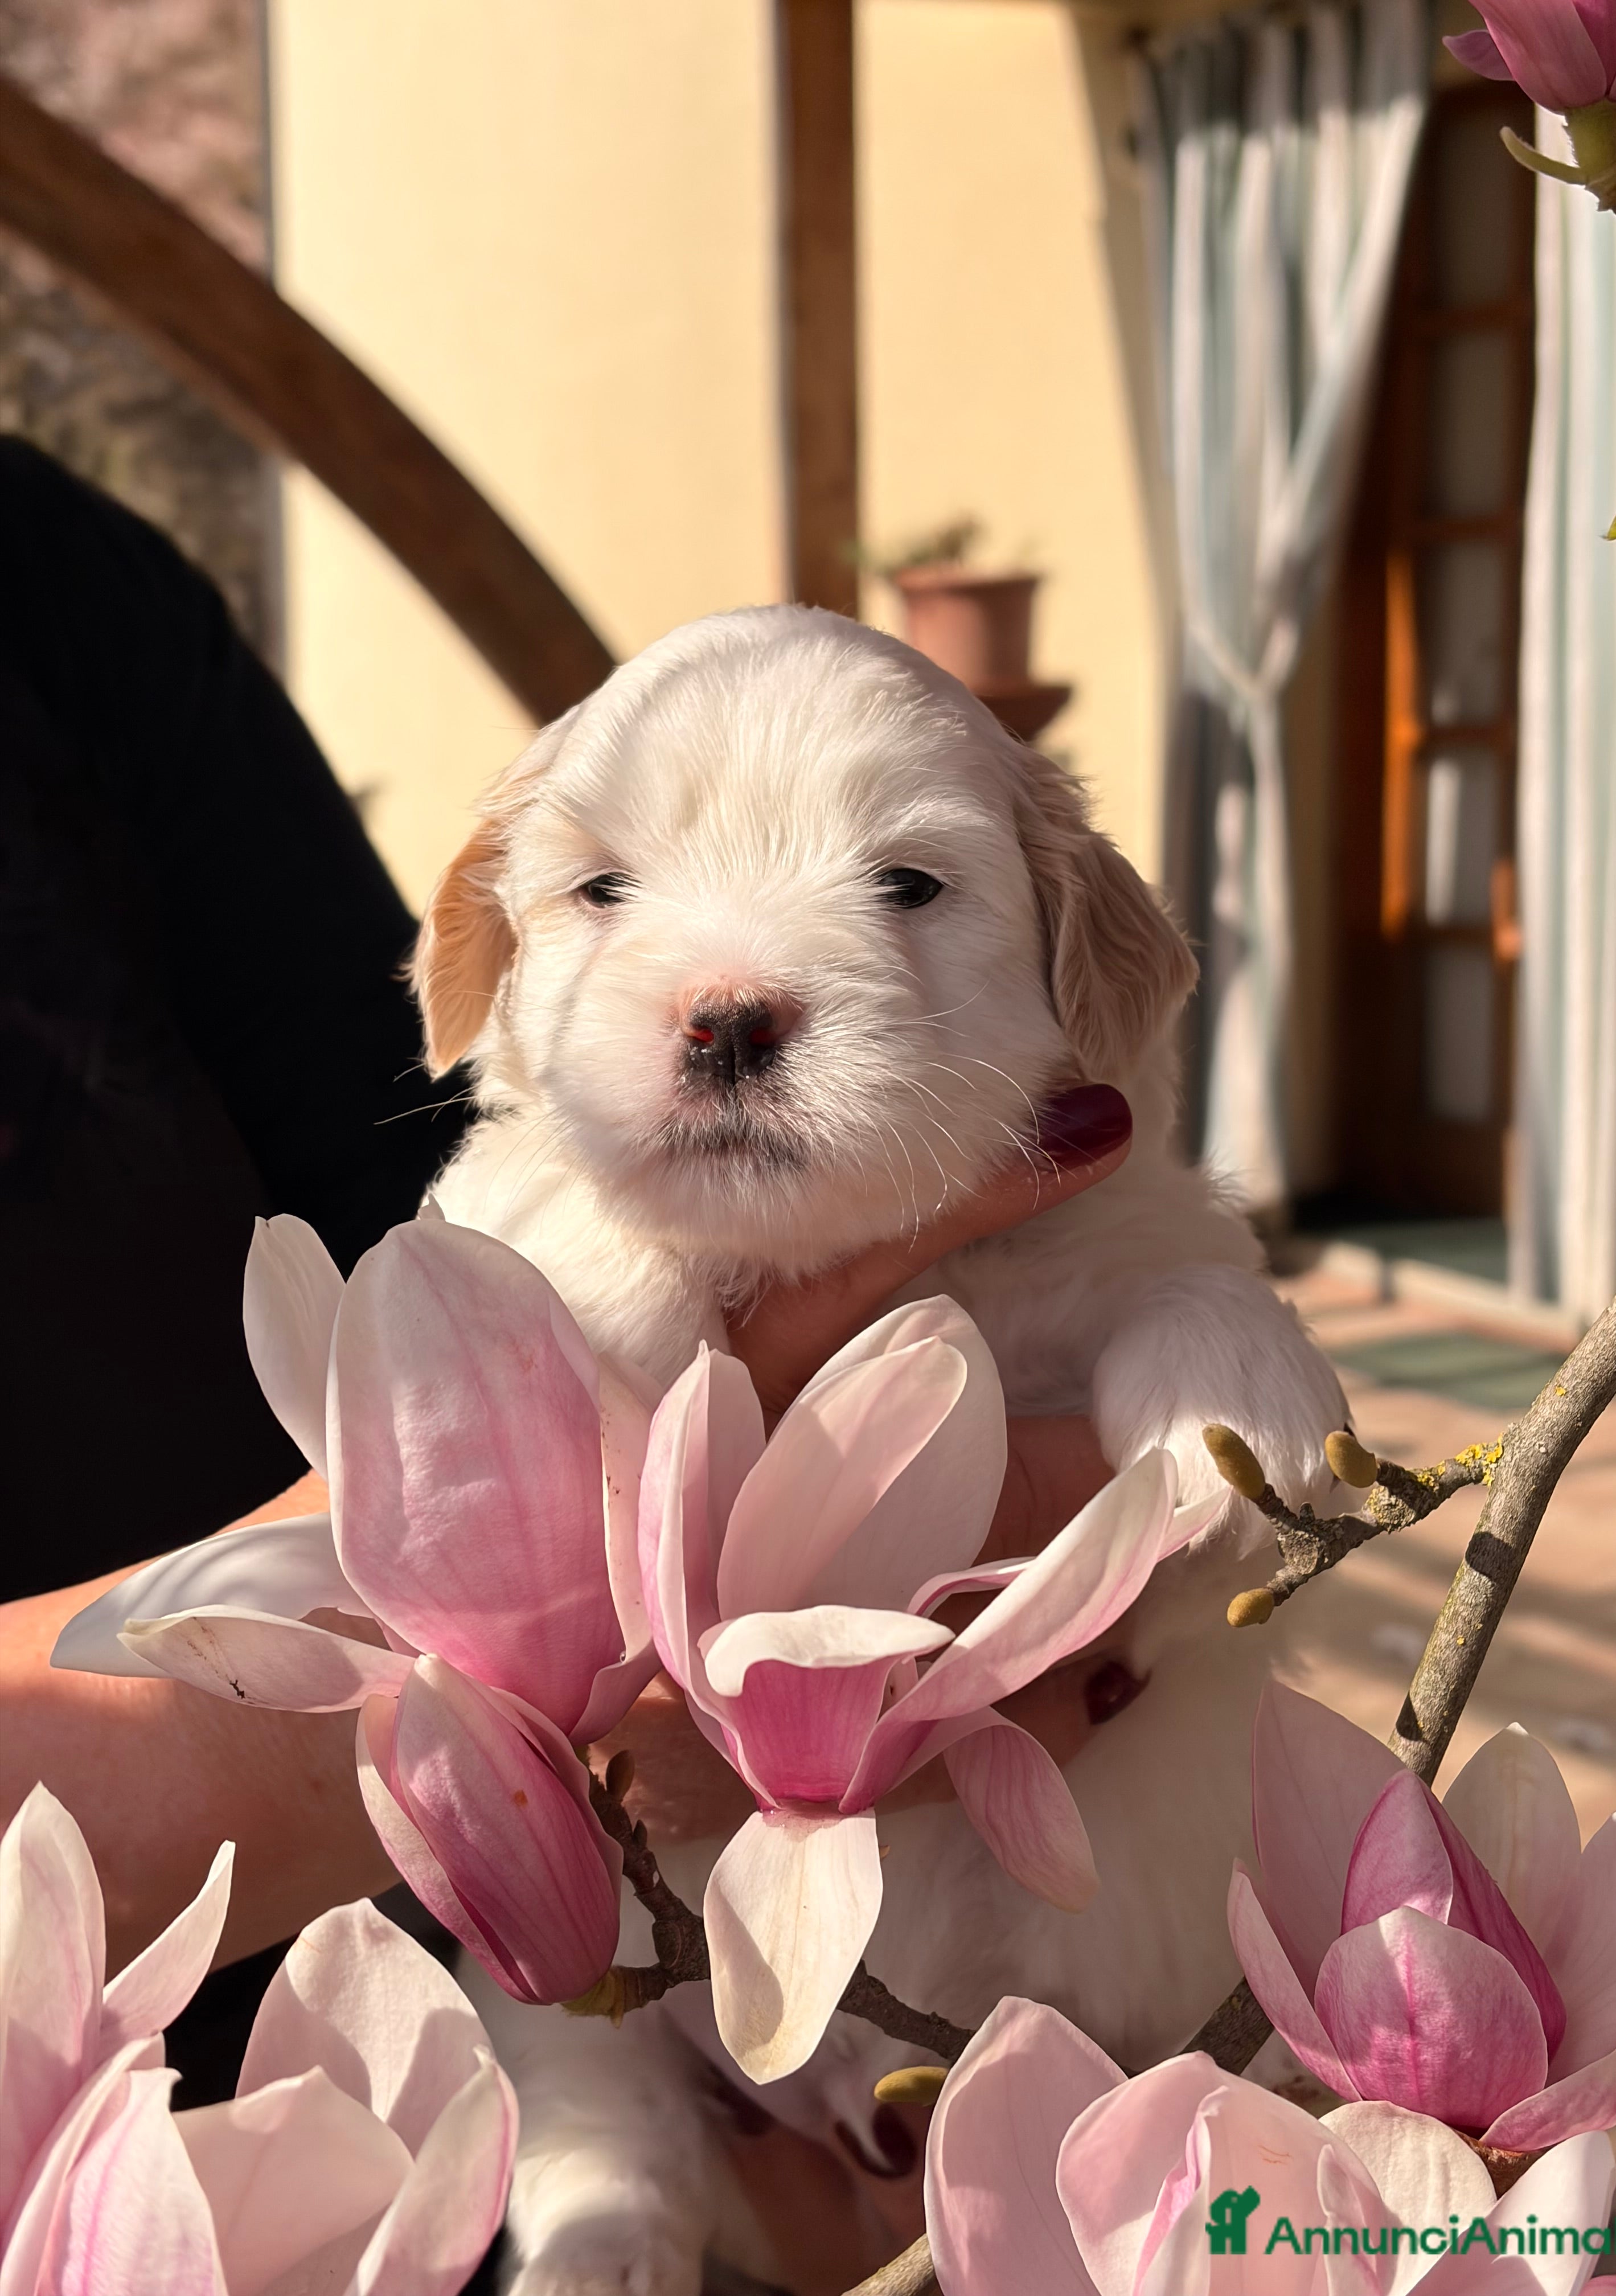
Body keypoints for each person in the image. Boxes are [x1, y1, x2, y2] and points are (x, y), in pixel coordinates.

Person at [0, 439, 1126, 2094]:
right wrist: (541, 1652)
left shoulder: (58, 581)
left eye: (901, 887)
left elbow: (416, 1168)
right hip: (423, 1954)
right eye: (607, 887)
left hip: (454, 2050)